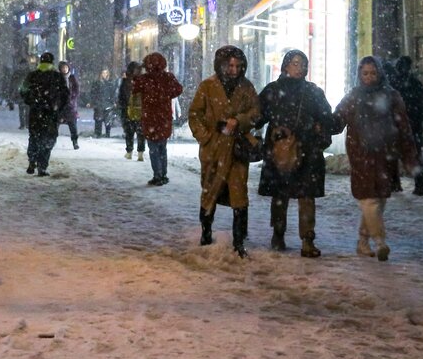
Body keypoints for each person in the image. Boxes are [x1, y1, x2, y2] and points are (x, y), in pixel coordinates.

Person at [256, 50, 340, 257]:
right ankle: (278, 233)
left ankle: (308, 239)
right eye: (295, 63)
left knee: (306, 196)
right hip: (280, 150)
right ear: (285, 66)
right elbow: (258, 116)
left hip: (307, 150)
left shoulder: (313, 92)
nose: (299, 67)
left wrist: (326, 125)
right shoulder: (273, 90)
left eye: (303, 64)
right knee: (279, 195)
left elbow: (327, 117)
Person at [334, 56, 420, 261]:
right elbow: (337, 119)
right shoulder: (353, 97)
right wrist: (320, 125)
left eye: (373, 73)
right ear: (359, 75)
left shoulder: (391, 96)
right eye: (365, 73)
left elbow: (403, 128)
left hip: (384, 157)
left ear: (379, 73)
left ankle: (363, 242)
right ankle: (380, 242)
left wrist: (409, 156)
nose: (369, 77)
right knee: (369, 201)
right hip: (361, 156)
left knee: (379, 201)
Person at [188, 46, 261, 257]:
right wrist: (206, 137)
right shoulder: (208, 86)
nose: (234, 70)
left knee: (239, 194)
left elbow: (256, 112)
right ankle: (206, 232)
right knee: (210, 191)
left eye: (238, 66)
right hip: (214, 148)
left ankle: (239, 241)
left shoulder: (246, 87)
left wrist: (239, 121)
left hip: (237, 149)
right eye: (230, 65)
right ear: (221, 65)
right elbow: (195, 114)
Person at [389, 56, 423, 196]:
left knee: (393, 155)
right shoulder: (416, 84)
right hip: (413, 125)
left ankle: (395, 183)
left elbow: (387, 107)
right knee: (415, 155)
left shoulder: (393, 85)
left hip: (396, 125)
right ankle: (419, 185)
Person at [134, 53, 183, 185]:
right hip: (164, 117)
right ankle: (163, 174)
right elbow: (178, 89)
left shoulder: (144, 79)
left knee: (153, 147)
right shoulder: (167, 78)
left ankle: (157, 175)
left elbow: (134, 89)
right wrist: (166, 96)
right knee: (162, 147)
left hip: (150, 117)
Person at [20, 52, 69, 176]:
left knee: (34, 136)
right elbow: (65, 94)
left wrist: (31, 101)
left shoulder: (32, 75)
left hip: (35, 112)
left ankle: (32, 160)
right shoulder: (57, 77)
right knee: (48, 139)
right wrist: (58, 107)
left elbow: (23, 90)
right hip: (51, 113)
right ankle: (42, 166)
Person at [117, 61, 143, 160]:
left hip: (128, 109)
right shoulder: (142, 81)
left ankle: (129, 152)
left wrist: (123, 106)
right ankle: (140, 153)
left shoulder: (126, 81)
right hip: (139, 110)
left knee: (129, 132)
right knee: (140, 133)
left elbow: (121, 96)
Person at [88, 67, 118, 138]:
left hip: (108, 104)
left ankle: (108, 134)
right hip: (99, 103)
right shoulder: (96, 83)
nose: (104, 74)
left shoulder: (110, 83)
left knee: (108, 120)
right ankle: (98, 133)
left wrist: (114, 101)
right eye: (103, 73)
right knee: (98, 119)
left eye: (106, 73)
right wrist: (91, 102)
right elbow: (93, 93)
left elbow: (113, 93)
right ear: (100, 74)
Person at [58, 61, 81, 149]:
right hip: (60, 106)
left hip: (71, 107)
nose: (64, 69)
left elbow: (76, 90)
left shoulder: (72, 78)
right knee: (55, 125)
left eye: (66, 68)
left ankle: (75, 142)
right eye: (63, 68)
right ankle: (51, 141)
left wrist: (72, 98)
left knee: (73, 126)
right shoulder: (57, 79)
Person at [16, 55, 37, 129]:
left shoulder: (29, 72)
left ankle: (27, 124)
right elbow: (14, 83)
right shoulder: (18, 73)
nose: (23, 66)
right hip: (21, 93)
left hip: (28, 93)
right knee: (22, 110)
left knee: (27, 110)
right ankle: (23, 124)